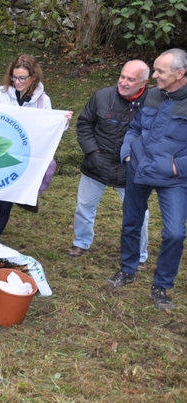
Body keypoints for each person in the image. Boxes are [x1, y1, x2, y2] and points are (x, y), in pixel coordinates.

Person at [106, 48, 187, 311]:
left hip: (173, 178)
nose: (155, 76)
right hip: (139, 170)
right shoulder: (152, 95)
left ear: (180, 73)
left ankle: (161, 286)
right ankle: (127, 270)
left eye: (161, 71)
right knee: (131, 223)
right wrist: (128, 153)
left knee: (174, 234)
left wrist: (176, 168)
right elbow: (135, 128)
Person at [0, 54, 71, 245]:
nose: (17, 82)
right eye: (14, 77)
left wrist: (62, 121)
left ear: (33, 77)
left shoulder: (42, 100)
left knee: (5, 206)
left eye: (22, 78)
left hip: (20, 161)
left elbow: (49, 128)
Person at [68, 60, 150, 266]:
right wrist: (92, 152)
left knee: (139, 213)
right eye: (122, 76)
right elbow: (84, 123)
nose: (123, 82)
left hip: (132, 169)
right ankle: (81, 241)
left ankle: (139, 255)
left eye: (131, 79)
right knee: (84, 206)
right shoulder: (101, 96)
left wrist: (139, 160)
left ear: (144, 82)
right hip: (96, 164)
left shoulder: (153, 103)